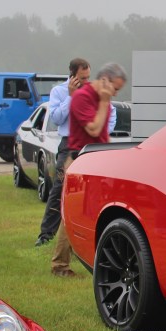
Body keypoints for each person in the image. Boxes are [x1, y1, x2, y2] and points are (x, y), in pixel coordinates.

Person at [51, 63, 127, 277]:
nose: (115, 93)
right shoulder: (82, 97)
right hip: (79, 161)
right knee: (73, 213)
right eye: (115, 88)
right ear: (104, 80)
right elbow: (93, 128)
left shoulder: (102, 99)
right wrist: (104, 102)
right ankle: (60, 265)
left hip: (96, 161)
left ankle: (95, 260)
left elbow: (103, 133)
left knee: (94, 212)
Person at [36, 58, 115, 247]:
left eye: (88, 77)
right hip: (70, 145)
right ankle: (46, 234)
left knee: (95, 190)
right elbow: (56, 118)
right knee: (60, 188)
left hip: (92, 146)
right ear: (72, 75)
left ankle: (93, 235)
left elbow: (111, 113)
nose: (86, 81)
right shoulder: (59, 91)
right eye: (82, 78)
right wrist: (71, 97)